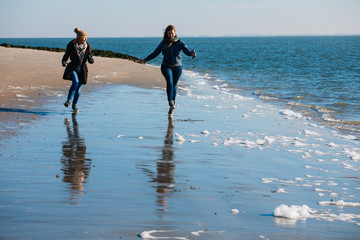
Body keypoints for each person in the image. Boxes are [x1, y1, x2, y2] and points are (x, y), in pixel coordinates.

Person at [142, 25, 196, 116]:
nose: (171, 34)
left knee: (174, 85)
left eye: (172, 33)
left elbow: (187, 51)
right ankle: (170, 102)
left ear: (175, 33)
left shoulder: (180, 42)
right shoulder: (164, 43)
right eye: (169, 33)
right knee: (170, 83)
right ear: (167, 34)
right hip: (166, 66)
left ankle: (172, 107)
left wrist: (192, 53)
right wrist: (145, 60)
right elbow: (155, 53)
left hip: (177, 67)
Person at [62, 28, 94, 113]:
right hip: (72, 67)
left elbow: (90, 56)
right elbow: (67, 54)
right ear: (80, 38)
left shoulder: (88, 46)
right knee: (75, 82)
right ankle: (69, 100)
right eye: (84, 38)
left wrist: (91, 59)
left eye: (86, 38)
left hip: (83, 69)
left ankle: (74, 106)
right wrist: (64, 61)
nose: (85, 39)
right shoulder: (72, 45)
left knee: (79, 88)